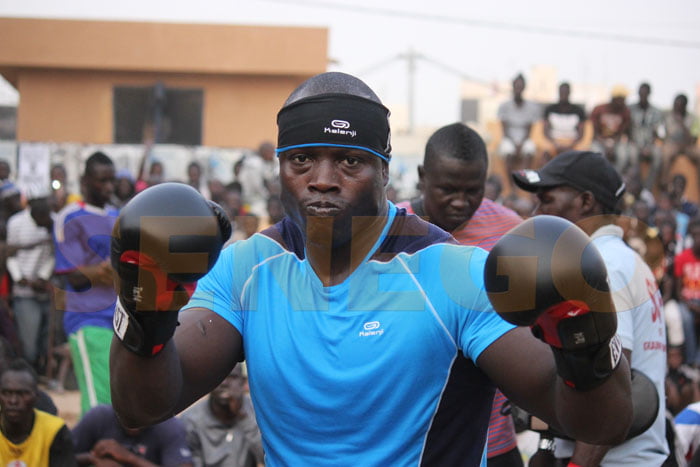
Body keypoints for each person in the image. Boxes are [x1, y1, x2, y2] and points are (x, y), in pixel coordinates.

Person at [109, 72, 633, 466]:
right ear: (280, 169)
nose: (323, 180)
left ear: (385, 170)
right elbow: (142, 406)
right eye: (302, 161)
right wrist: (144, 305)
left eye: (349, 162)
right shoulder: (248, 268)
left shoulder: (450, 273)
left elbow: (596, 419)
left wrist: (583, 336)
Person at [512, 149, 668, 465]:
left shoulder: (603, 263)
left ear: (585, 202)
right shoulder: (618, 257)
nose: (535, 213)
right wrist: (546, 447)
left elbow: (606, 382)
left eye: (547, 200)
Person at [397, 122, 523, 466]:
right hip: (415, 442)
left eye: (473, 190)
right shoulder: (388, 235)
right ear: (424, 176)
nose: (461, 202)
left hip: (495, 439)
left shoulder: (510, 231)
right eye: (448, 189)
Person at [54, 151, 118, 415]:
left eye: (111, 180)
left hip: (119, 320)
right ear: (84, 182)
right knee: (97, 406)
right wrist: (111, 271)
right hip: (88, 319)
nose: (109, 187)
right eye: (102, 181)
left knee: (118, 401)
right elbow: (73, 275)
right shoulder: (70, 216)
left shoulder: (117, 215)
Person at [5, 190, 54, 373]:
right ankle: (29, 374)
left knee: (45, 340)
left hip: (45, 289)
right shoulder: (16, 222)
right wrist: (21, 279)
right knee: (29, 342)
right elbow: (10, 255)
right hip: (24, 292)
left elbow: (52, 254)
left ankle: (42, 373)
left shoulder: (52, 221)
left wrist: (42, 276)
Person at [181, 366, 264, 467]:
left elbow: (267, 458)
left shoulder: (258, 411)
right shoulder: (191, 419)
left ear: (243, 382)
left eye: (232, 377)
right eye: (219, 377)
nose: (224, 383)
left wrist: (243, 417)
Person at [0, 358, 75, 465]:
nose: (13, 401)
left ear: (37, 397)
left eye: (22, 394)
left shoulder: (54, 431)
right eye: (6, 393)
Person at [72, 404, 193, 466]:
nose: (135, 422)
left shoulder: (168, 425)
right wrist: (91, 458)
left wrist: (129, 458)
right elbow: (58, 459)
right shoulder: (99, 416)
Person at [497, 73, 541, 188]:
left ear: (524, 88)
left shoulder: (531, 107)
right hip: (508, 138)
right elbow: (504, 128)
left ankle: (523, 183)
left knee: (529, 151)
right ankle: (511, 188)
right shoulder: (504, 106)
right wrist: (514, 143)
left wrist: (521, 144)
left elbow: (529, 128)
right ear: (513, 87)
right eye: (516, 86)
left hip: (524, 139)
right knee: (508, 153)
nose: (518, 89)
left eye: (520, 86)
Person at [628, 82, 664, 191]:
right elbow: (627, 130)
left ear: (649, 94)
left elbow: (658, 133)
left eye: (645, 94)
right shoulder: (630, 109)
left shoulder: (656, 111)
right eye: (641, 94)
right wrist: (636, 145)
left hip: (650, 144)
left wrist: (649, 147)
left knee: (658, 155)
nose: (642, 96)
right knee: (632, 154)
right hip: (634, 143)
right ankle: (638, 185)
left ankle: (647, 188)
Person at [660, 93, 700, 188]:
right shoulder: (667, 116)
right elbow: (661, 134)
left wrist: (681, 123)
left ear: (684, 106)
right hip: (672, 145)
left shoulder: (693, 118)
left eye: (679, 106)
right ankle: (664, 183)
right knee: (665, 154)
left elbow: (693, 140)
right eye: (675, 105)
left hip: (687, 146)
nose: (676, 108)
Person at [590, 85, 632, 173]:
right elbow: (594, 131)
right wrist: (604, 143)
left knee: (623, 155)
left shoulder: (625, 111)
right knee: (597, 154)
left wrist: (613, 144)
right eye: (622, 99)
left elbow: (622, 132)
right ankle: (600, 177)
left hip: (616, 141)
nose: (624, 101)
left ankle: (614, 178)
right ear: (615, 98)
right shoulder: (599, 109)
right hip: (599, 140)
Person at [542, 82, 587, 161]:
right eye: (562, 92)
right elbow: (545, 131)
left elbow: (581, 133)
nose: (563, 94)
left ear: (569, 93)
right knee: (545, 152)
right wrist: (554, 144)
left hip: (572, 141)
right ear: (558, 92)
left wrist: (571, 145)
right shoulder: (549, 109)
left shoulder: (578, 111)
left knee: (583, 153)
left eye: (565, 92)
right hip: (554, 141)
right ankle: (545, 173)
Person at [235, 141, 278, 217]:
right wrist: (268, 196)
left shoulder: (265, 162)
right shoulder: (254, 164)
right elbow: (257, 186)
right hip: (252, 199)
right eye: (271, 151)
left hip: (257, 198)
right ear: (265, 152)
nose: (273, 154)